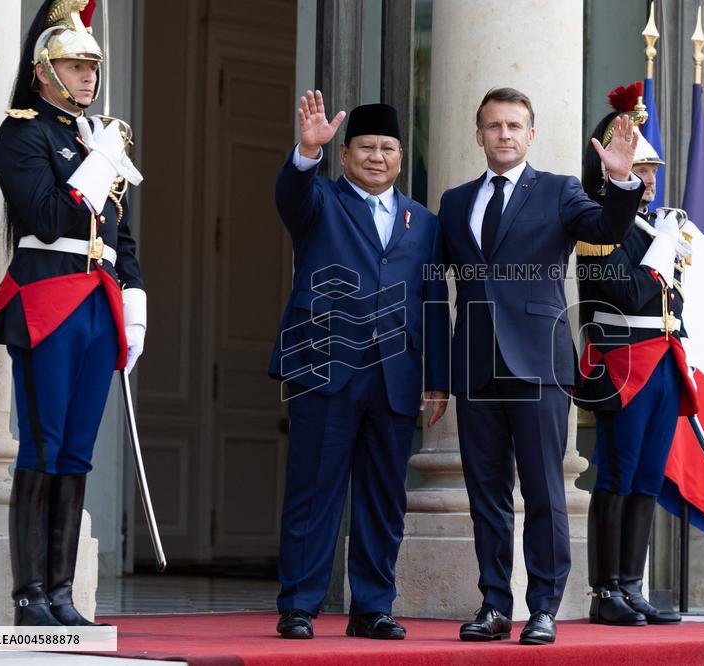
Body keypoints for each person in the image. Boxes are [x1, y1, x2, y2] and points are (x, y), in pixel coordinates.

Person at [438, 87, 644, 645]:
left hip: (540, 365)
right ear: (478, 135)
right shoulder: (455, 202)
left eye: (514, 126)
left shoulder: (558, 191)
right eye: (494, 126)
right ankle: (493, 606)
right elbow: (435, 286)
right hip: (477, 365)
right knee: (486, 493)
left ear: (531, 135)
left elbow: (605, 230)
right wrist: (438, 375)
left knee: (546, 492)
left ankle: (545, 607)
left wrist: (623, 184)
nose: (504, 134)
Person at [0, 0, 146, 626]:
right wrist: (100, 161)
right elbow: (47, 218)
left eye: (92, 67)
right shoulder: (23, 132)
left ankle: (61, 592)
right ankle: (28, 597)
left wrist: (135, 298)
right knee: (44, 443)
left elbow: (119, 231)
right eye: (75, 65)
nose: (88, 77)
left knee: (77, 450)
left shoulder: (92, 134)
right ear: (44, 69)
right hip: (49, 298)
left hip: (98, 300)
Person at [269, 91, 449, 640]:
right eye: (365, 147)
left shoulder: (424, 221)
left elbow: (434, 300)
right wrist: (305, 152)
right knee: (313, 489)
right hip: (325, 366)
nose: (377, 156)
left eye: (387, 148)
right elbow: (290, 197)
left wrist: (438, 379)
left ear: (400, 157)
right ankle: (299, 604)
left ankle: (372, 606)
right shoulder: (320, 199)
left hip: (397, 375)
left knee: (383, 497)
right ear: (344, 155)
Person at [575, 82, 699, 626]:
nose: (647, 178)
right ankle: (604, 593)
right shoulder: (600, 223)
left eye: (651, 169)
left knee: (649, 477)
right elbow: (621, 293)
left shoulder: (658, 224)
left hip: (665, 360)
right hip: (625, 363)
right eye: (637, 167)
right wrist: (662, 249)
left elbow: (674, 301)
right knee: (617, 476)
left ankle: (631, 584)